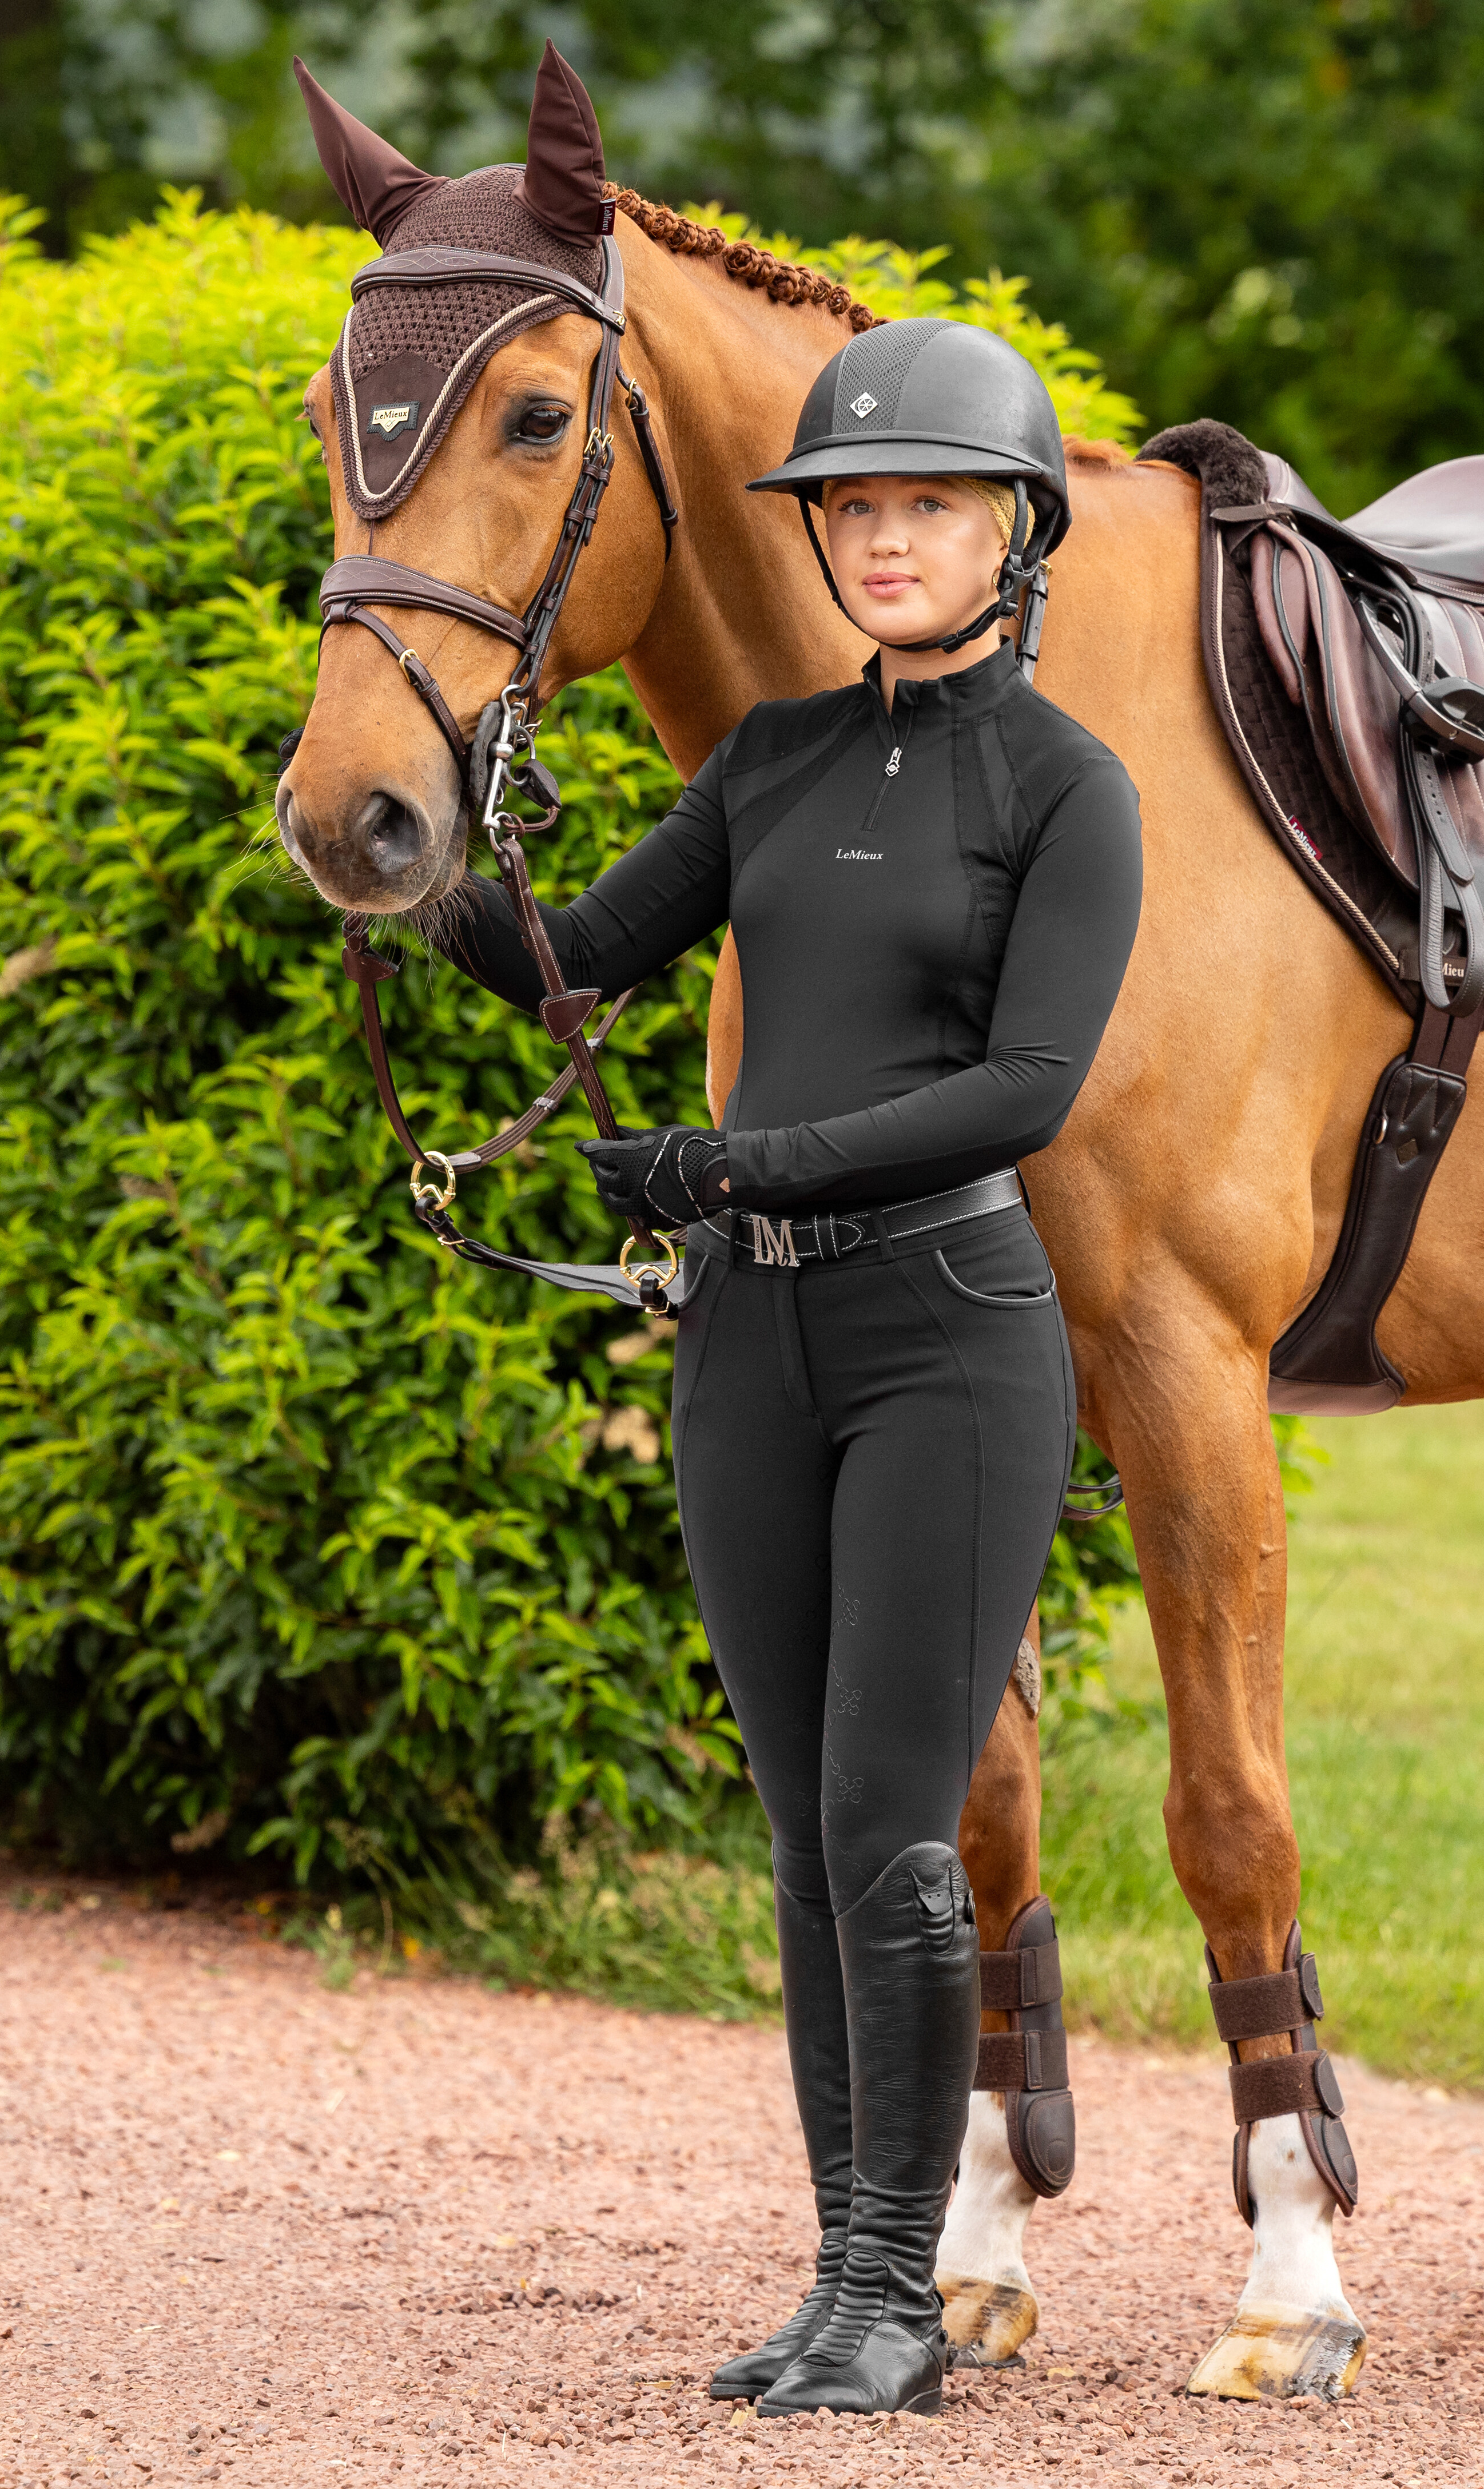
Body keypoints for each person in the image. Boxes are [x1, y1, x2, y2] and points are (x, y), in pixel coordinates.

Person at [412, 317, 1141, 2419]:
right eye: (854, 508)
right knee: (803, 1828)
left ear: (1014, 529)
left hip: (950, 1337)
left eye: (929, 504)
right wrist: (421, 840)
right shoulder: (772, 764)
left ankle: (902, 2299)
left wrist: (734, 1158)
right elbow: (574, 960)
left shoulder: (1063, 789)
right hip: (754, 1337)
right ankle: (841, 2280)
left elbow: (1022, 1089)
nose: (887, 539)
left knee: (896, 1824)